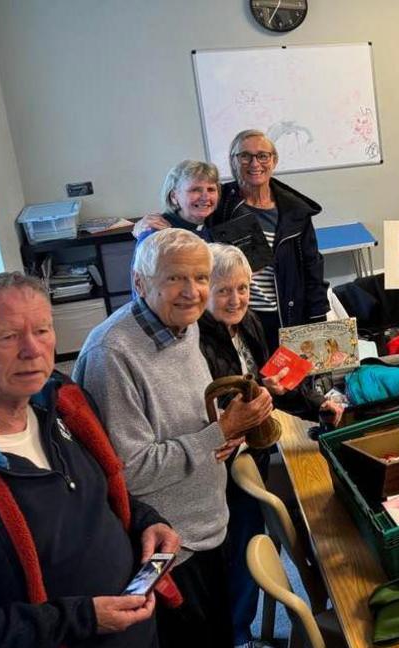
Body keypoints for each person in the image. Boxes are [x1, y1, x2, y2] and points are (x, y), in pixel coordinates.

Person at [74, 229, 275, 648]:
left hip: (210, 527)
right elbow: (129, 474)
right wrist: (220, 432)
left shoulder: (186, 328)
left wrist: (226, 428)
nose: (192, 292)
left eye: (201, 278)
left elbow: (186, 426)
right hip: (169, 548)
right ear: (140, 282)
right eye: (175, 279)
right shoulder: (111, 354)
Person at [0, 272, 181, 648]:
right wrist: (81, 619)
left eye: (43, 331)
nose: (33, 350)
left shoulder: (63, 403)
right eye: (8, 336)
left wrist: (147, 521)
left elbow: (95, 495)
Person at [196, 243, 343, 647]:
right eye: (223, 290)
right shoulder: (196, 345)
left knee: (246, 544)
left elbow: (274, 386)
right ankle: (237, 635)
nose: (236, 299)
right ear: (204, 292)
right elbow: (225, 408)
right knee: (238, 553)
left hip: (253, 451)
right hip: (221, 464)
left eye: (242, 288)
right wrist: (262, 391)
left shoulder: (250, 324)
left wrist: (319, 407)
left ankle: (239, 630)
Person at [208, 129, 330, 350]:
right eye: (245, 156)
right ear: (233, 162)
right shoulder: (220, 205)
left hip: (285, 317)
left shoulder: (295, 212)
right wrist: (149, 224)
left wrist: (317, 318)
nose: (255, 163)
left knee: (288, 381)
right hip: (237, 317)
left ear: (274, 160)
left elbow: (312, 268)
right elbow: (186, 214)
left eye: (262, 156)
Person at [133, 159, 221, 244]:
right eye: (195, 190)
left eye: (211, 189)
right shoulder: (156, 232)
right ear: (174, 196)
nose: (205, 197)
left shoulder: (217, 221)